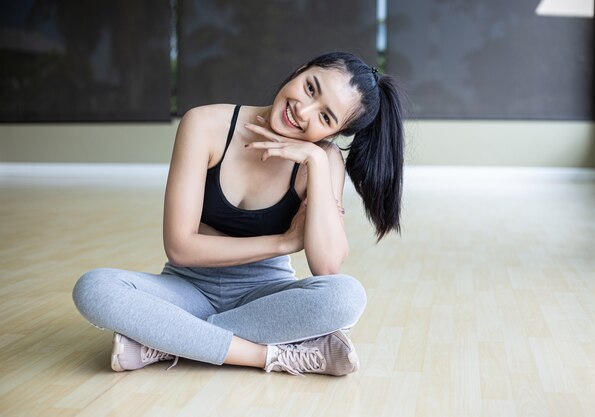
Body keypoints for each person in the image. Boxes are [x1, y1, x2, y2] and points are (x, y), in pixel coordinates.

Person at [72, 51, 405, 376]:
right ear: (301, 69)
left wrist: (317, 162)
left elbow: (328, 267)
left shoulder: (323, 161)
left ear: (332, 133)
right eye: (310, 88)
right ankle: (270, 354)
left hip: (263, 299)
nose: (303, 111)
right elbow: (180, 247)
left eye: (325, 117)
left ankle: (170, 340)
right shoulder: (204, 124)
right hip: (187, 289)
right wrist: (282, 243)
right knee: (95, 287)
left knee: (346, 297)